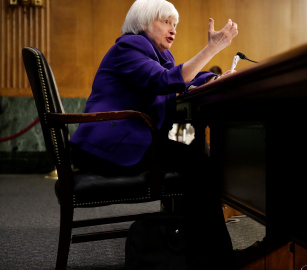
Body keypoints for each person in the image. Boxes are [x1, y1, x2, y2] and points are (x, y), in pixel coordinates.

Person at [69, 0, 238, 268]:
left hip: (137, 136)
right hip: (110, 147)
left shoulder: (159, 56)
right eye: (166, 22)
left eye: (175, 25)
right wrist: (213, 47)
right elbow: (164, 81)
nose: (173, 30)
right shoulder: (129, 47)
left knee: (197, 152)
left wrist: (211, 79)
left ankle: (197, 250)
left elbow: (175, 78)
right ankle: (217, 257)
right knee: (200, 164)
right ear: (143, 22)